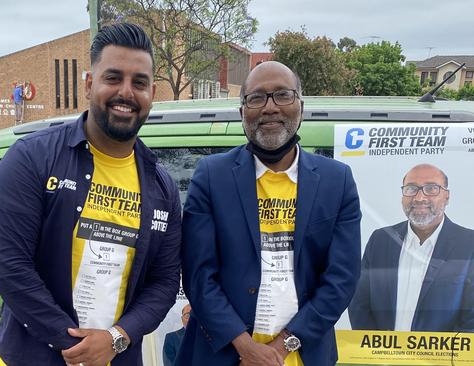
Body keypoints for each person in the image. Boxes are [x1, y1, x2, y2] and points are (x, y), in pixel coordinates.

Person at [0, 22, 181, 366]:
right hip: (33, 358)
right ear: (90, 83)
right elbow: (10, 267)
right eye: (113, 78)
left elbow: (164, 284)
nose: (126, 92)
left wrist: (115, 340)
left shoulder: (162, 187)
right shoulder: (32, 158)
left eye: (139, 82)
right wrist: (76, 346)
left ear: (152, 92)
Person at [176, 61, 361, 366]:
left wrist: (283, 345)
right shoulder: (212, 176)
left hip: (303, 353)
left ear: (300, 106)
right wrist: (246, 348)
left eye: (282, 95)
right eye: (257, 98)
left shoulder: (336, 181)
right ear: (242, 112)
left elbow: (342, 278)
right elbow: (198, 276)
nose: (270, 108)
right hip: (224, 355)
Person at [349, 163, 474, 332]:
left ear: (447, 197)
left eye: (431, 188)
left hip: (443, 357)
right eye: (411, 189)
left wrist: (441, 356)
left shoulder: (468, 244)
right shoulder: (381, 240)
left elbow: (471, 319)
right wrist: (377, 352)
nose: (419, 197)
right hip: (381, 356)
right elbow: (359, 304)